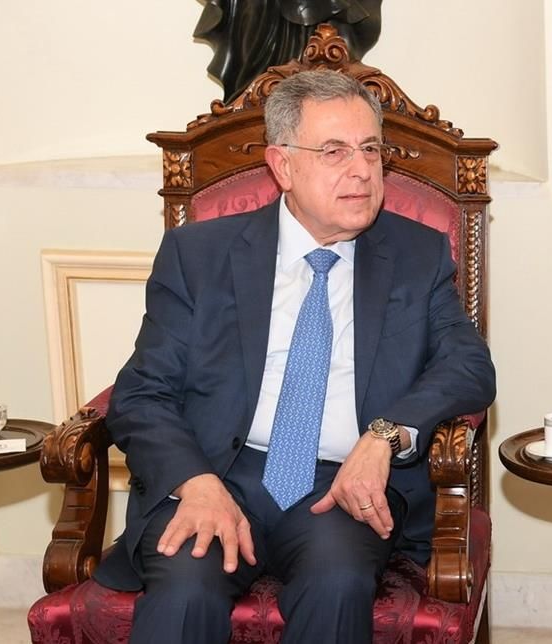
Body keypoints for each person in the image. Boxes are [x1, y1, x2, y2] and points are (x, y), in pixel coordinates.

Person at [95, 69, 496, 644]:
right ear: (282, 166)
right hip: (217, 472)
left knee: (337, 582)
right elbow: (142, 393)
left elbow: (469, 366)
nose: (362, 170)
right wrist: (195, 482)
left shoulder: (416, 255)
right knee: (185, 591)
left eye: (370, 149)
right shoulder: (199, 256)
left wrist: (385, 435)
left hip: (338, 486)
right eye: (334, 151)